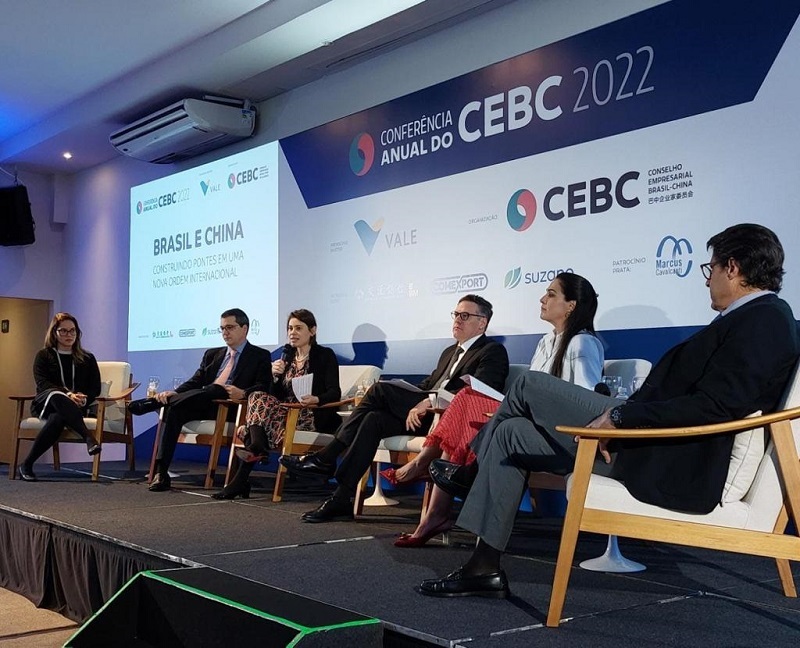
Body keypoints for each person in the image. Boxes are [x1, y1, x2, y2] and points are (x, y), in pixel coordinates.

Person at [419, 223, 800, 599]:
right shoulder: (751, 317)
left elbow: (718, 405)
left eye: (710, 268)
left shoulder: (765, 319)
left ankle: (470, 473)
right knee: (509, 433)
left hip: (663, 450)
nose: (707, 279)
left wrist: (621, 417)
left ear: (732, 267)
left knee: (528, 385)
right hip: (647, 437)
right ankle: (483, 568)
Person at [391, 273, 603, 547]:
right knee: (467, 398)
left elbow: (586, 402)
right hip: (530, 424)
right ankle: (442, 502)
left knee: (476, 405)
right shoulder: (545, 342)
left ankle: (450, 481)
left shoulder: (582, 342)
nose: (542, 299)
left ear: (571, 305)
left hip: (558, 434)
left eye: (551, 294)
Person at [281, 294, 510, 522]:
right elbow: (429, 385)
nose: (457, 320)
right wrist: (413, 395)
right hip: (423, 416)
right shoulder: (449, 352)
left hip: (448, 421)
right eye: (456, 314)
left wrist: (426, 402)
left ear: (482, 323)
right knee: (373, 419)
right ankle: (340, 498)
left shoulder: (492, 351)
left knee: (379, 390)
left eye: (465, 315)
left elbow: (477, 394)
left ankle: (327, 457)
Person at [129, 308, 271, 492]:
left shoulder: (260, 355)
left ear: (244, 328)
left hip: (232, 409)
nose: (225, 332)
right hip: (204, 403)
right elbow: (196, 381)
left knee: (217, 388)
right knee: (175, 410)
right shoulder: (213, 354)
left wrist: (243, 393)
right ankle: (161, 473)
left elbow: (264, 387)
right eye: (222, 328)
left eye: (230, 327)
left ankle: (154, 403)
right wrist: (175, 393)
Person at [212, 309, 341, 499]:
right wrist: (274, 376)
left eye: (298, 328)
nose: (292, 333)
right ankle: (256, 449)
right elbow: (274, 396)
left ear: (312, 331)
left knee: (248, 429)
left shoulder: (324, 355)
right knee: (256, 395)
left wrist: (316, 399)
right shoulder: (286, 357)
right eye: (290, 328)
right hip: (284, 414)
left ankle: (247, 467)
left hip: (309, 414)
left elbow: (334, 392)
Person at [18, 312, 102, 481]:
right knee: (58, 396)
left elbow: (95, 387)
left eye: (72, 331)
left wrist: (84, 398)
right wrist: (68, 394)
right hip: (47, 403)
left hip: (75, 407)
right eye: (63, 331)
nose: (68, 335)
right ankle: (88, 437)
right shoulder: (44, 355)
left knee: (57, 419)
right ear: (54, 333)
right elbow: (43, 384)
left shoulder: (87, 358)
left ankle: (26, 464)